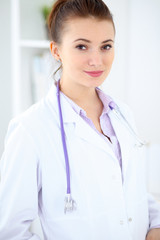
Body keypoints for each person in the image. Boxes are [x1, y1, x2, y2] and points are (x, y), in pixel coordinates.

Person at [0, 0, 160, 239]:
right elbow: (10, 231)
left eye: (106, 46)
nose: (96, 60)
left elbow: (133, 191)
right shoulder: (29, 129)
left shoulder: (123, 114)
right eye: (82, 47)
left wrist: (155, 228)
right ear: (56, 51)